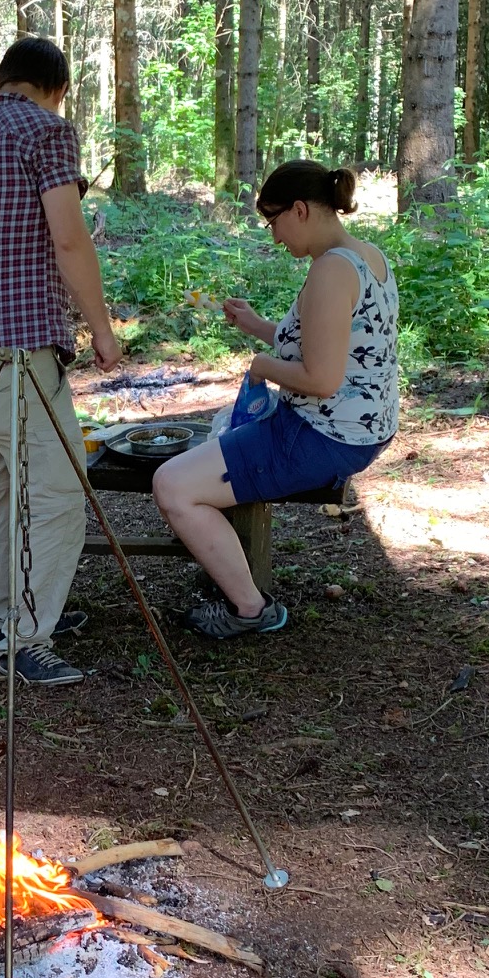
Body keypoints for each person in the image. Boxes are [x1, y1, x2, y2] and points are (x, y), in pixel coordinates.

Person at [0, 36, 122, 687]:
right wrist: (102, 329)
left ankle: (13, 612)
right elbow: (69, 238)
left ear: (1, 80)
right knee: (58, 490)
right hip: (17, 352)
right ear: (55, 89)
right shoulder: (46, 132)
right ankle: (27, 637)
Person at [152, 159, 398, 639]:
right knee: (206, 453)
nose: (274, 236)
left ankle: (250, 608)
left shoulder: (331, 271)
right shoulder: (367, 255)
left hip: (322, 435)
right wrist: (258, 327)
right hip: (362, 428)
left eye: (273, 221)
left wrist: (261, 366)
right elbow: (333, 345)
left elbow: (322, 378)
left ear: (300, 210)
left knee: (172, 486)